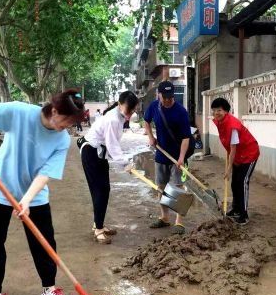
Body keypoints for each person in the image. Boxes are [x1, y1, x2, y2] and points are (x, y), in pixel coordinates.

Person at [0, 89, 85, 295]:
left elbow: (46, 173)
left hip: (35, 194)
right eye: (67, 120)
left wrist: (26, 200)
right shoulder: (19, 112)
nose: (67, 127)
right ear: (55, 110)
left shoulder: (61, 139)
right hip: (0, 188)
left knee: (44, 242)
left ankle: (48, 289)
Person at [78, 91, 139, 244]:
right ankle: (98, 229)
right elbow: (113, 147)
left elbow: (112, 146)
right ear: (119, 104)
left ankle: (98, 224)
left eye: (132, 110)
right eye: (128, 110)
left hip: (99, 153)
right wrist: (126, 164)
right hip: (91, 152)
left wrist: (125, 162)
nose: (130, 113)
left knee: (104, 189)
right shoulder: (113, 119)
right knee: (99, 190)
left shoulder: (118, 116)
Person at [144, 81, 192, 235]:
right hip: (161, 154)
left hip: (177, 156)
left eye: (170, 97)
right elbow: (146, 120)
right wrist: (151, 137)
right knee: (161, 187)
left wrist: (181, 158)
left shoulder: (181, 112)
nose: (167, 100)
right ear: (159, 94)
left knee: (177, 188)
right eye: (164, 97)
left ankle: (179, 222)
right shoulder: (154, 106)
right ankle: (164, 218)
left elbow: (186, 138)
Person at [211, 98, 259, 225]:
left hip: (249, 154)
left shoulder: (232, 126)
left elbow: (233, 149)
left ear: (226, 111)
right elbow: (230, 147)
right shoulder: (219, 122)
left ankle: (244, 215)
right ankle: (236, 208)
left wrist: (228, 169)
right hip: (238, 155)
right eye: (214, 110)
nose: (216, 113)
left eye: (219, 110)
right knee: (234, 183)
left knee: (242, 182)